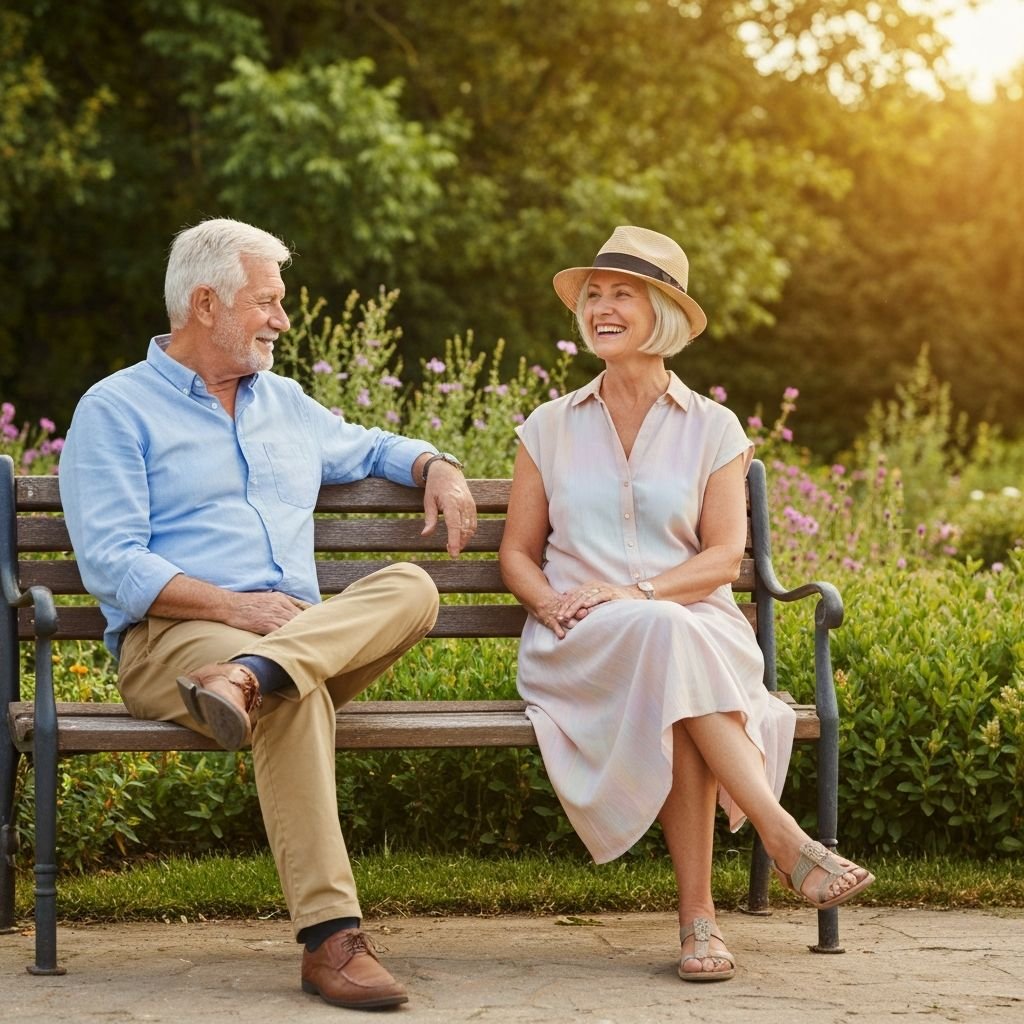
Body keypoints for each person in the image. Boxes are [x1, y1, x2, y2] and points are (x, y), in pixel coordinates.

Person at [58, 217, 477, 1011]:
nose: (283, 320)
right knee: (295, 691)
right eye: (269, 302)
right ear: (206, 303)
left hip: (282, 643)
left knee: (412, 587)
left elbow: (374, 445)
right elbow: (111, 562)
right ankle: (332, 941)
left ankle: (248, 680)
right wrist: (234, 608)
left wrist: (438, 464)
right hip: (175, 641)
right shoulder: (115, 410)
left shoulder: (284, 403)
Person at [498, 225, 874, 983]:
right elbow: (515, 553)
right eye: (593, 297)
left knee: (672, 647)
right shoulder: (547, 426)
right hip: (585, 643)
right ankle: (776, 837)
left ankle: (703, 920)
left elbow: (720, 558)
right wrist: (549, 606)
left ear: (662, 312)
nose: (601, 309)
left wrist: (640, 592)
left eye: (622, 296)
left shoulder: (713, 428)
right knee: (667, 646)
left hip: (695, 626)